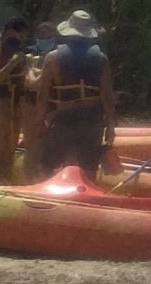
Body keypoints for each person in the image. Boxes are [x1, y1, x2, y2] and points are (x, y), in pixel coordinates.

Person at [34, 10, 114, 179]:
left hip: (63, 117)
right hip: (92, 119)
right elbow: (107, 95)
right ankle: (86, 199)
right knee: (89, 168)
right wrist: (111, 125)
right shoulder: (101, 59)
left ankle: (56, 200)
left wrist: (40, 122)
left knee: (52, 168)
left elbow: (42, 95)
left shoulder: (52, 58)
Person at [0, 16, 34, 184]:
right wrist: (13, 63)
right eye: (21, 36)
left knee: (11, 142)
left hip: (14, 97)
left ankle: (7, 177)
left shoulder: (14, 47)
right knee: (1, 142)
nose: (22, 40)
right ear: (11, 31)